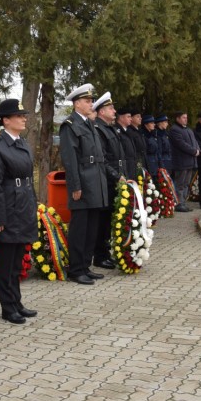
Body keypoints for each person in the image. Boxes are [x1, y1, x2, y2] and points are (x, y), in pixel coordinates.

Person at [0, 99, 38, 325]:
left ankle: (16, 302)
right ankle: (7, 307)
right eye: (19, 116)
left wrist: (33, 206)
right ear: (6, 120)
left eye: (24, 115)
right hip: (9, 208)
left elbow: (29, 180)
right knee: (5, 263)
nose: (24, 118)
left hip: (24, 206)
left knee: (17, 261)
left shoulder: (22, 144)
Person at [58, 83, 108, 285]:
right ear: (77, 103)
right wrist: (75, 186)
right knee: (80, 228)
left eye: (91, 101)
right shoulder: (70, 125)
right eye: (87, 101)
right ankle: (76, 269)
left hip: (96, 182)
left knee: (92, 228)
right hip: (83, 183)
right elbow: (70, 159)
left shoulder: (89, 124)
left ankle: (85, 266)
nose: (91, 104)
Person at [92, 92, 125, 270]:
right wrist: (116, 176)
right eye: (111, 108)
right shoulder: (98, 129)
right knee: (103, 220)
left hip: (114, 180)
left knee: (109, 218)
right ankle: (100, 255)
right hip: (106, 181)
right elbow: (103, 160)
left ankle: (105, 252)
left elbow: (118, 157)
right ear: (101, 111)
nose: (114, 111)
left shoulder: (110, 128)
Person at [168, 111, 199, 212]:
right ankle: (178, 203)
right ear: (177, 118)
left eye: (186, 117)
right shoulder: (174, 130)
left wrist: (198, 149)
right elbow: (181, 144)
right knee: (180, 184)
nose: (186, 119)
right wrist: (194, 151)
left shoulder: (188, 130)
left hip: (190, 161)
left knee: (186, 184)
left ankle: (183, 202)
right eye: (183, 117)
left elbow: (194, 142)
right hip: (181, 161)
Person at [115, 107, 139, 180]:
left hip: (131, 168)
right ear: (121, 118)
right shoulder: (117, 132)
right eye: (128, 117)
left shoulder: (128, 131)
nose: (131, 119)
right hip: (124, 170)